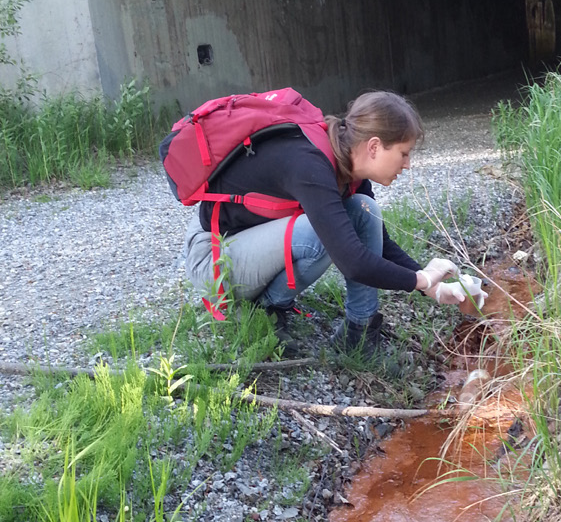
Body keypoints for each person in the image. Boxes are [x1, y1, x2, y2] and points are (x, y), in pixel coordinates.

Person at [182, 89, 464, 357]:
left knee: (363, 210)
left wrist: (432, 287)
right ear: (375, 146)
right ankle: (264, 309)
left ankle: (359, 333)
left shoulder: (347, 163)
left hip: (250, 245)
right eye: (404, 153)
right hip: (214, 258)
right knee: (320, 235)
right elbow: (351, 259)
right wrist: (420, 280)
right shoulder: (310, 165)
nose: (408, 164)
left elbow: (379, 239)